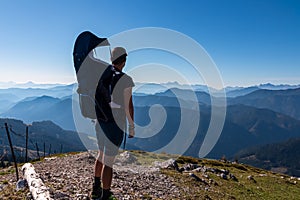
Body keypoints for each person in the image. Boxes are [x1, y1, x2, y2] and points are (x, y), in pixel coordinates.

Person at [91, 47, 135, 200]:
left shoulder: (101, 75)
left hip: (100, 121)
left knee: (101, 154)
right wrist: (132, 126)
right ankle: (105, 195)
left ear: (111, 59)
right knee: (109, 161)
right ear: (124, 61)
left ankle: (95, 188)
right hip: (115, 124)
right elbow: (129, 105)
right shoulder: (126, 79)